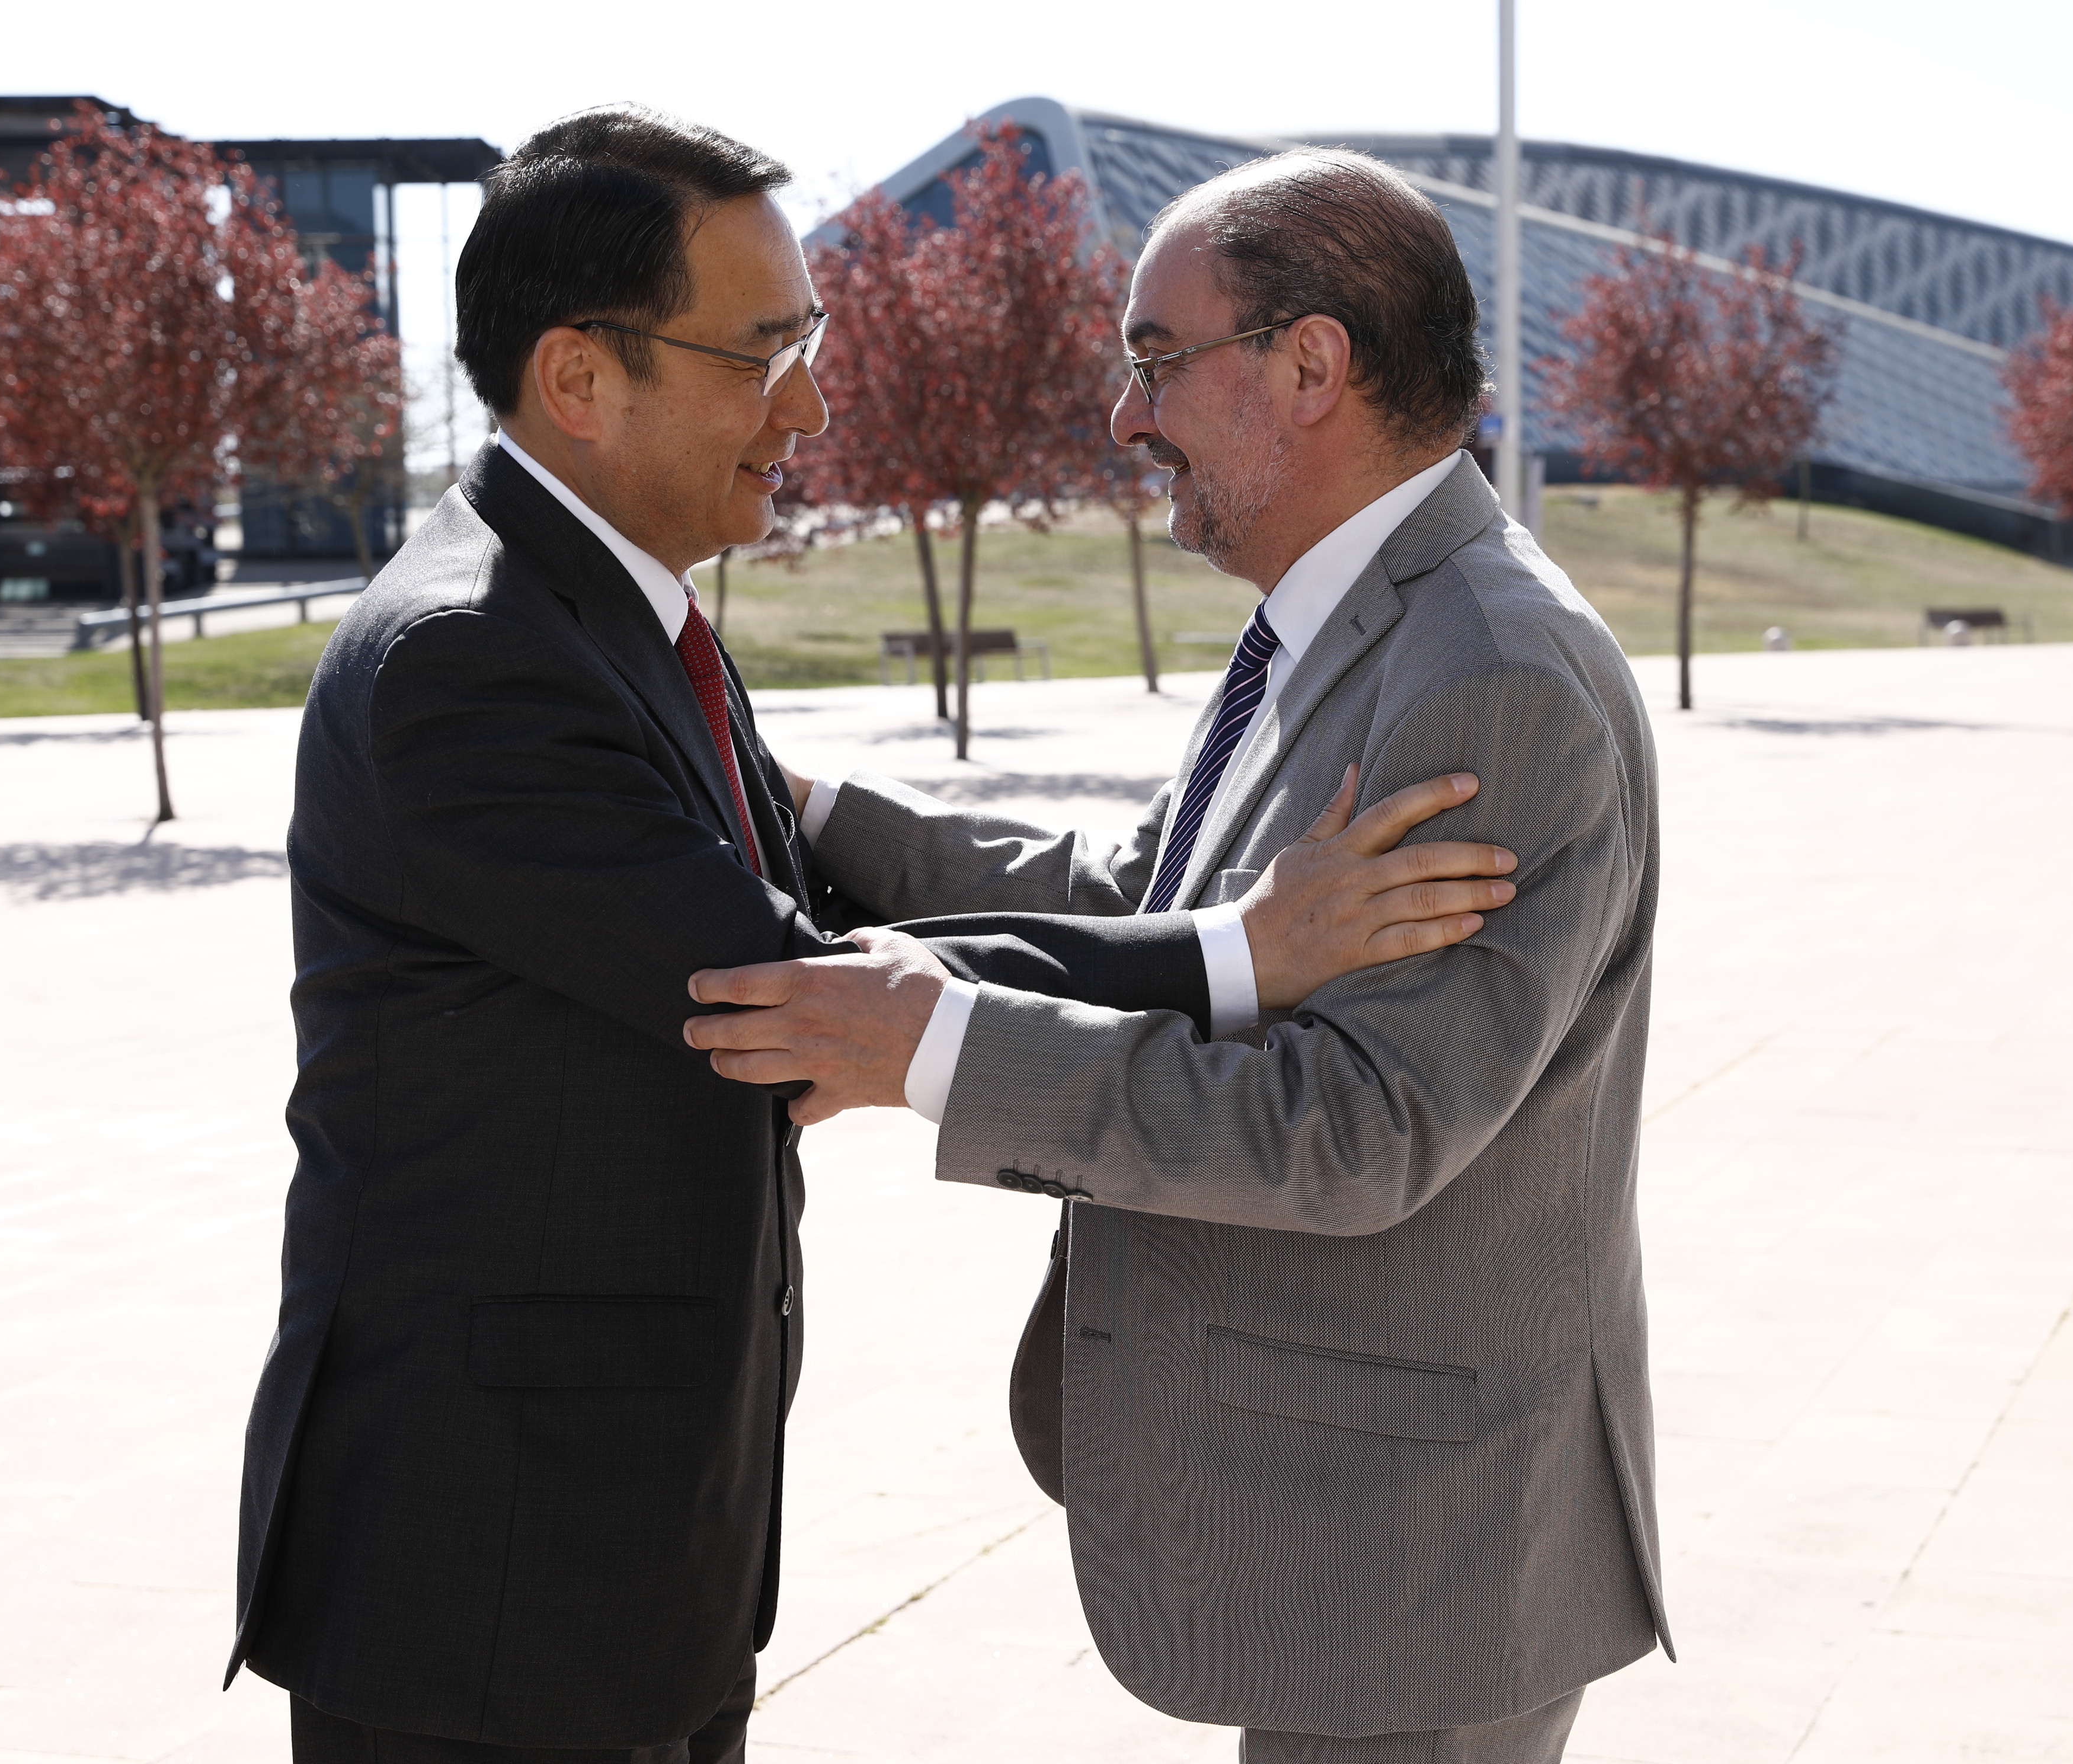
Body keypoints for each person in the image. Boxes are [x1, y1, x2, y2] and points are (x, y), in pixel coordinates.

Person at [227, 110, 1516, 1764]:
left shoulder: (618, 611)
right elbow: (785, 987)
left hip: (627, 1550)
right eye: (765, 350)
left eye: (811, 341)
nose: (815, 403)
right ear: (580, 380)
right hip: (485, 1575)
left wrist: (849, 828)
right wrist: (1241, 953)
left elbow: (806, 892)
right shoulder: (468, 662)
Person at [687, 149, 1669, 1763]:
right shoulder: (1350, 620)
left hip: (1409, 1571)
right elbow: (1146, 895)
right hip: (1352, 1537)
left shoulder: (1492, 677)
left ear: (1311, 365)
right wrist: (809, 808)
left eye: (1154, 361)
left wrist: (931, 1048)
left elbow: (1358, 1127)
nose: (1126, 417)